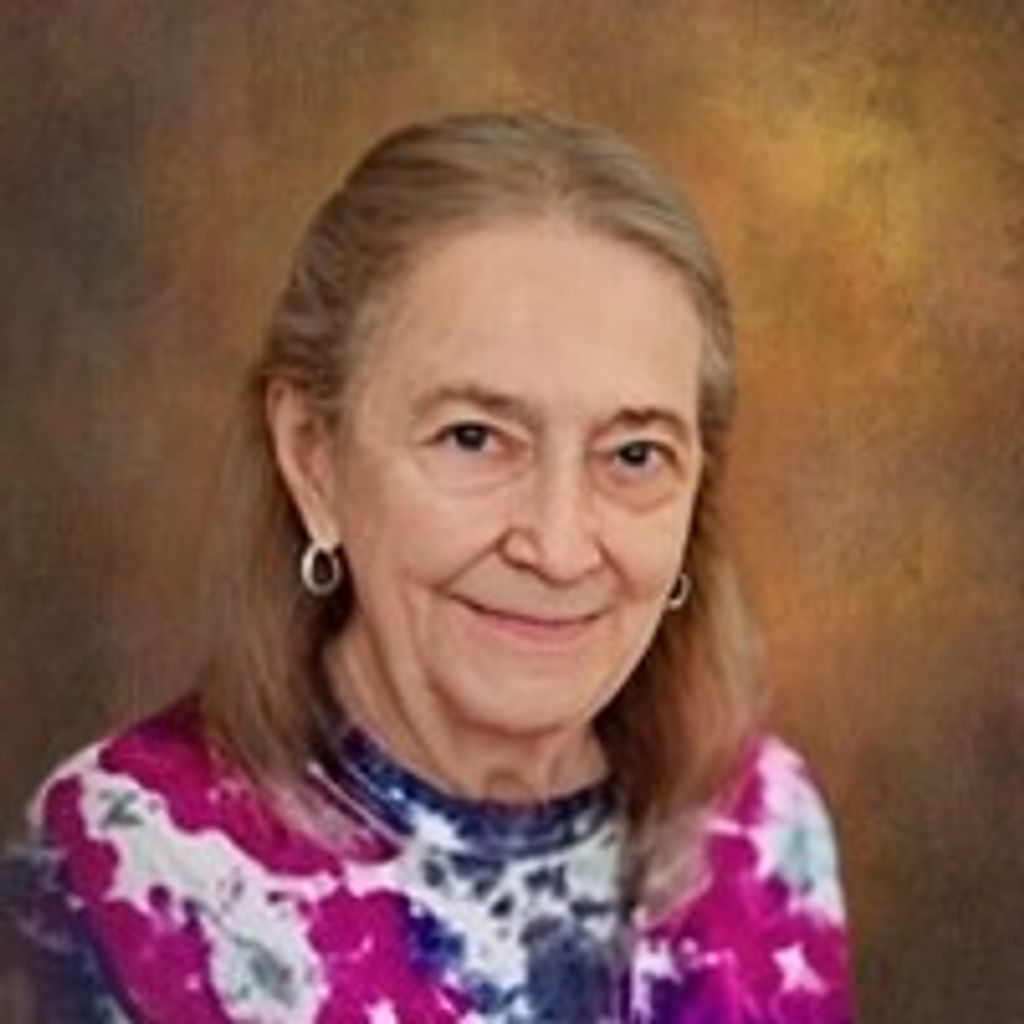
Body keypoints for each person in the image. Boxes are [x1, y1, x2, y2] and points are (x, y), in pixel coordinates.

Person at [5, 111, 852, 1022]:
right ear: (314, 458)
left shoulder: (763, 827)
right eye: (474, 437)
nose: (559, 547)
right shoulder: (123, 865)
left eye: (635, 454)